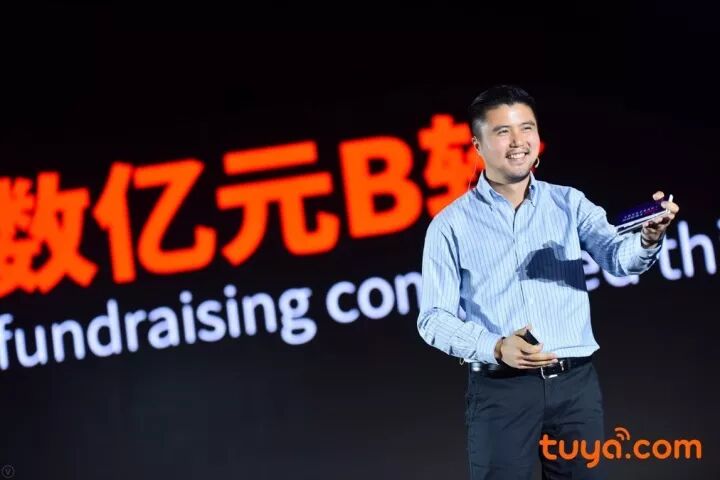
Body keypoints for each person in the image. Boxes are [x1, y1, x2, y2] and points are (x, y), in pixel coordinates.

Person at [416, 85, 680, 480]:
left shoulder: (569, 203)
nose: (518, 141)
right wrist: (495, 346)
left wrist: (648, 238)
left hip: (575, 388)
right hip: (501, 392)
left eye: (527, 128)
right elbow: (433, 318)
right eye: (503, 131)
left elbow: (618, 258)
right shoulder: (450, 225)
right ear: (477, 144)